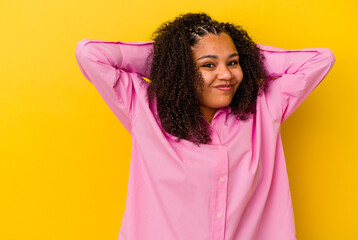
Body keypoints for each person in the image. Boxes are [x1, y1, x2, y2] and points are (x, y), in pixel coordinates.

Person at [75, 13, 335, 240]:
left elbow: (321, 59)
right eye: (208, 65)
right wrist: (169, 59)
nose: (226, 74)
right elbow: (90, 54)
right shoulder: (143, 108)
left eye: (233, 62)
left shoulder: (264, 108)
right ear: (181, 69)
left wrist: (244, 56)